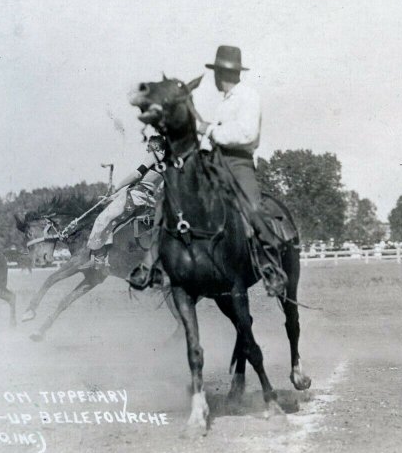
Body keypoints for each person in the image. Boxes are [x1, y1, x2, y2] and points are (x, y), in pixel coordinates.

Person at [128, 45, 287, 295]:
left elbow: (247, 134)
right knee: (170, 199)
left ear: (219, 73)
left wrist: (208, 129)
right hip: (212, 159)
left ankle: (270, 265)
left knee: (253, 207)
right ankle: (151, 264)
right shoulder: (224, 102)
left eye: (215, 72)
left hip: (238, 163)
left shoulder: (248, 96)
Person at [81, 136, 165, 269]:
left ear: (155, 147)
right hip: (147, 201)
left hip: (135, 197)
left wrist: (117, 186)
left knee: (102, 219)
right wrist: (113, 197)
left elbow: (137, 176)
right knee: (116, 224)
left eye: (148, 146)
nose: (146, 148)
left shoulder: (153, 156)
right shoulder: (167, 163)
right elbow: (146, 184)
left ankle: (99, 257)